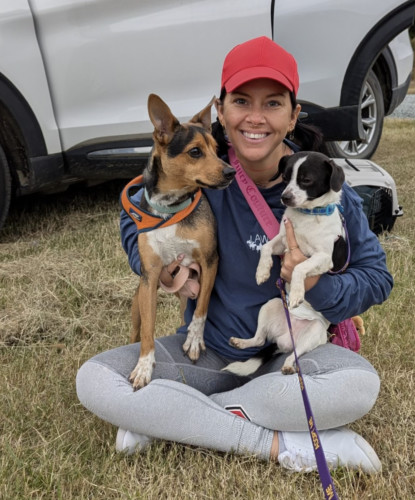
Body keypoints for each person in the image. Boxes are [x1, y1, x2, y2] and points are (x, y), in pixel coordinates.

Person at [76, 36, 393, 474]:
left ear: (293, 115)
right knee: (94, 379)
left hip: (291, 358)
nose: (256, 118)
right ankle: (274, 440)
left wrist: (316, 282)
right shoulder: (201, 168)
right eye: (242, 100)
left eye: (274, 103)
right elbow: (135, 207)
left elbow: (377, 279)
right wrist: (161, 268)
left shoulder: (325, 188)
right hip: (205, 353)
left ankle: (179, 413)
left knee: (359, 386)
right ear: (221, 111)